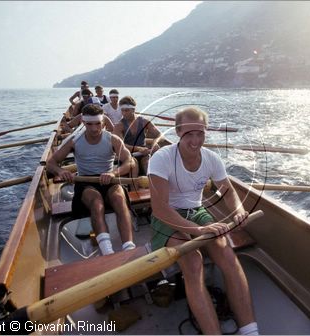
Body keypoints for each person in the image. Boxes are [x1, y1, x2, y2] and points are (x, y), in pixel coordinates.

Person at [147, 107, 259, 335]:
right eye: (189, 134)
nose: (195, 140)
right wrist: (198, 230)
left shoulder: (212, 159)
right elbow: (160, 208)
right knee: (193, 261)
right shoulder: (161, 158)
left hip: (197, 212)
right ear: (178, 132)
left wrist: (238, 210)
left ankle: (250, 331)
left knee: (226, 253)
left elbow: (227, 191)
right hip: (167, 216)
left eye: (200, 133)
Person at [47, 104, 136, 255]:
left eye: (97, 124)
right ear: (82, 122)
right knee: (96, 202)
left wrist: (114, 173)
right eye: (89, 124)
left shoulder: (113, 139)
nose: (94, 129)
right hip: (85, 182)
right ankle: (107, 252)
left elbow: (130, 161)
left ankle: (129, 248)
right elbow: (51, 163)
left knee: (119, 199)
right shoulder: (74, 141)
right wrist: (61, 171)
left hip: (110, 179)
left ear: (103, 122)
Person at [113, 96, 162, 177]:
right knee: (133, 164)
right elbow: (121, 145)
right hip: (127, 155)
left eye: (126, 110)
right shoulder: (119, 126)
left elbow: (160, 135)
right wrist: (138, 148)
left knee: (147, 162)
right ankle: (133, 187)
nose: (124, 113)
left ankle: (152, 184)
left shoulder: (144, 122)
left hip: (144, 154)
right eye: (122, 110)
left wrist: (155, 142)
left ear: (133, 110)